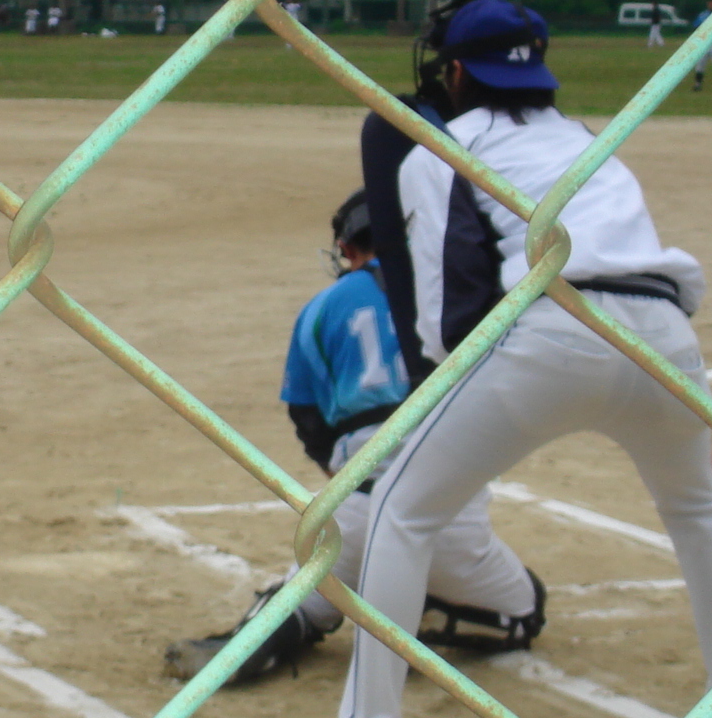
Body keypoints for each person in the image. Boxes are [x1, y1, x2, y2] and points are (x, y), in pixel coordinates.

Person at [294, 0, 712, 718]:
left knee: (401, 512)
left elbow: (444, 313)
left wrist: (448, 393)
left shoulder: (443, 149)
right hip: (665, 337)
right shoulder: (591, 140)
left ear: (454, 72)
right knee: (699, 510)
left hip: (548, 335)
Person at [162, 190, 543, 687]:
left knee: (316, 594)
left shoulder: (322, 308)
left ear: (347, 248)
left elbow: (306, 415)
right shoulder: (453, 290)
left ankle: (268, 631)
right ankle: (423, 617)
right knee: (526, 609)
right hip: (447, 508)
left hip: (354, 504)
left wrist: (341, 471)